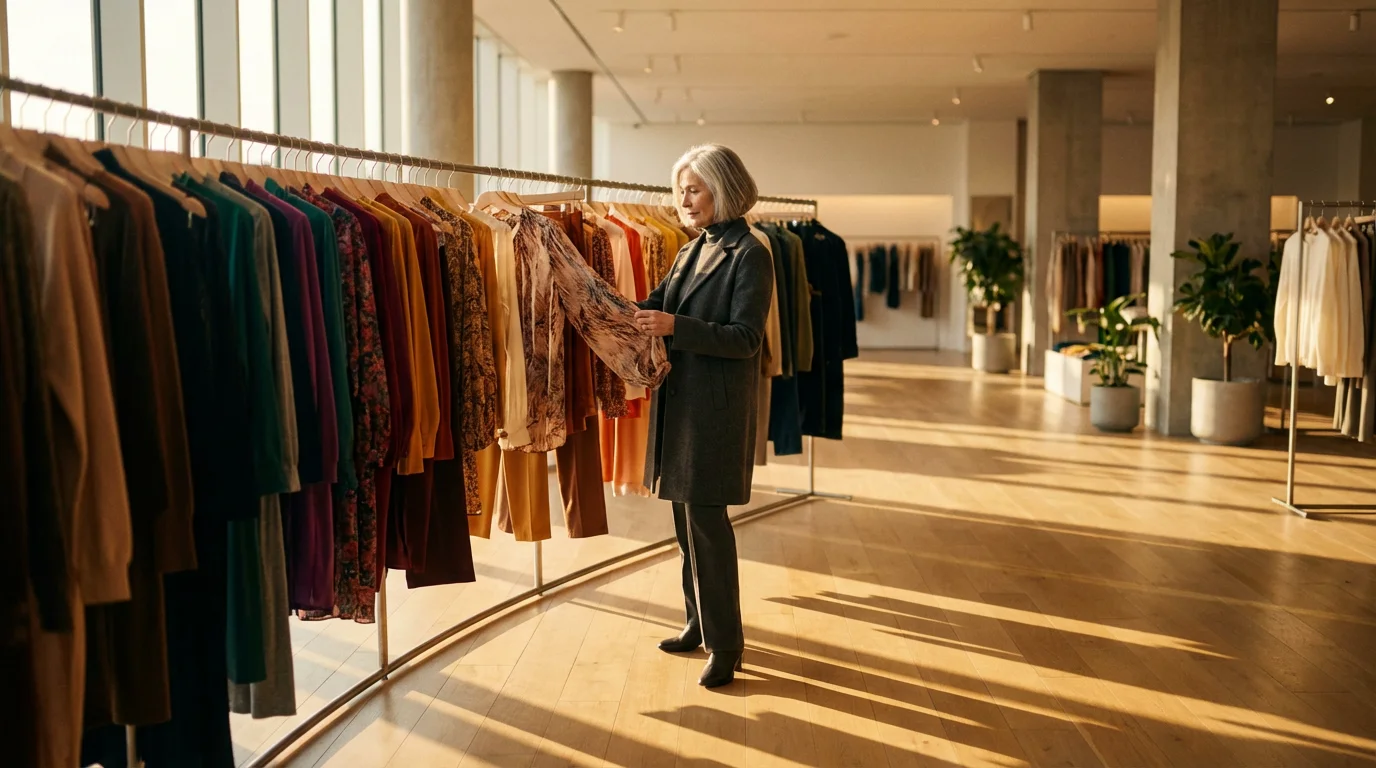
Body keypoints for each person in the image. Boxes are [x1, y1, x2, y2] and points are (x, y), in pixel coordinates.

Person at [634, 144, 775, 688]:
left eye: (694, 188)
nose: (683, 200)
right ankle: (697, 620)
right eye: (681, 190)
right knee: (684, 526)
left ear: (724, 188)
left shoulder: (751, 253)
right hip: (682, 406)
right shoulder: (692, 250)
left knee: (708, 530)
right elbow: (656, 304)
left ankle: (726, 643)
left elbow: (745, 340)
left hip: (714, 414)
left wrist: (675, 328)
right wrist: (605, 306)